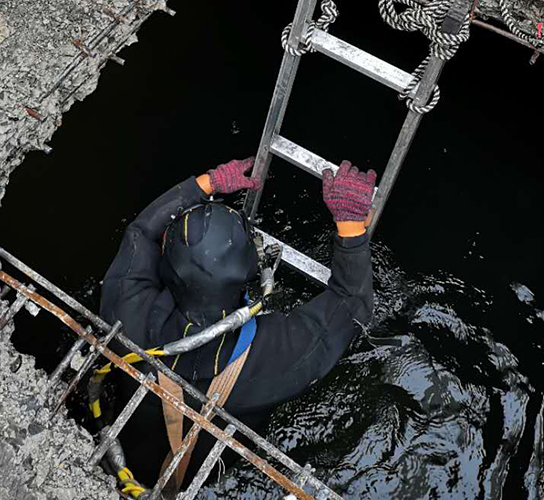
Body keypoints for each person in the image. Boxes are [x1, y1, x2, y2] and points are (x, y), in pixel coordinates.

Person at [99, 157, 376, 493]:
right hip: (207, 478)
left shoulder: (126, 310)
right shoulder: (278, 358)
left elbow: (141, 233)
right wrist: (350, 226)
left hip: (118, 455)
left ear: (166, 266)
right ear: (250, 273)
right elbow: (352, 304)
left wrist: (204, 184)